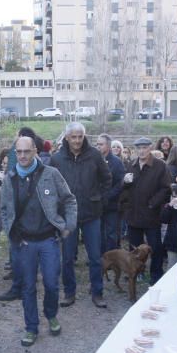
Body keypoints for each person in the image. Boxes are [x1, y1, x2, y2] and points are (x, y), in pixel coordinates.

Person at [0, 135, 77, 347]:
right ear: (16, 154)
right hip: (24, 243)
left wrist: (68, 226)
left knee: (52, 283)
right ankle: (31, 327)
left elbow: (69, 199)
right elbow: (5, 210)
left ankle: (51, 314)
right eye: (19, 152)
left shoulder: (51, 174)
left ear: (35, 151)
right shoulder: (10, 179)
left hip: (48, 240)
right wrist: (11, 233)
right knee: (27, 287)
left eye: (27, 151)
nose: (23, 156)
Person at [50, 122, 112, 309]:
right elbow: (50, 184)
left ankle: (97, 292)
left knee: (94, 256)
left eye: (80, 136)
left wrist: (99, 198)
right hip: (68, 217)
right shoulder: (57, 159)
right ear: (67, 138)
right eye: (73, 137)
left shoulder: (94, 155)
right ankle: (69, 293)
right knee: (67, 257)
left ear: (84, 137)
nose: (77, 140)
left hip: (91, 214)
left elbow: (107, 178)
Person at [119, 138, 172, 284]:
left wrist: (153, 204)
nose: (141, 151)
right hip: (133, 214)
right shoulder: (131, 164)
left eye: (144, 148)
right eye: (139, 148)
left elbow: (166, 189)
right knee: (134, 248)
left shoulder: (160, 166)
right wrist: (124, 182)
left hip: (151, 215)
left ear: (150, 148)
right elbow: (124, 189)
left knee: (155, 247)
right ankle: (136, 272)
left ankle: (156, 275)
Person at [96, 134, 125, 252]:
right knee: (98, 231)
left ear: (108, 146)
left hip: (111, 204)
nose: (98, 147)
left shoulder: (117, 162)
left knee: (111, 232)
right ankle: (101, 255)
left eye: (101, 144)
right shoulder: (94, 160)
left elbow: (120, 183)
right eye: (97, 144)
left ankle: (112, 257)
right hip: (96, 203)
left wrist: (108, 196)